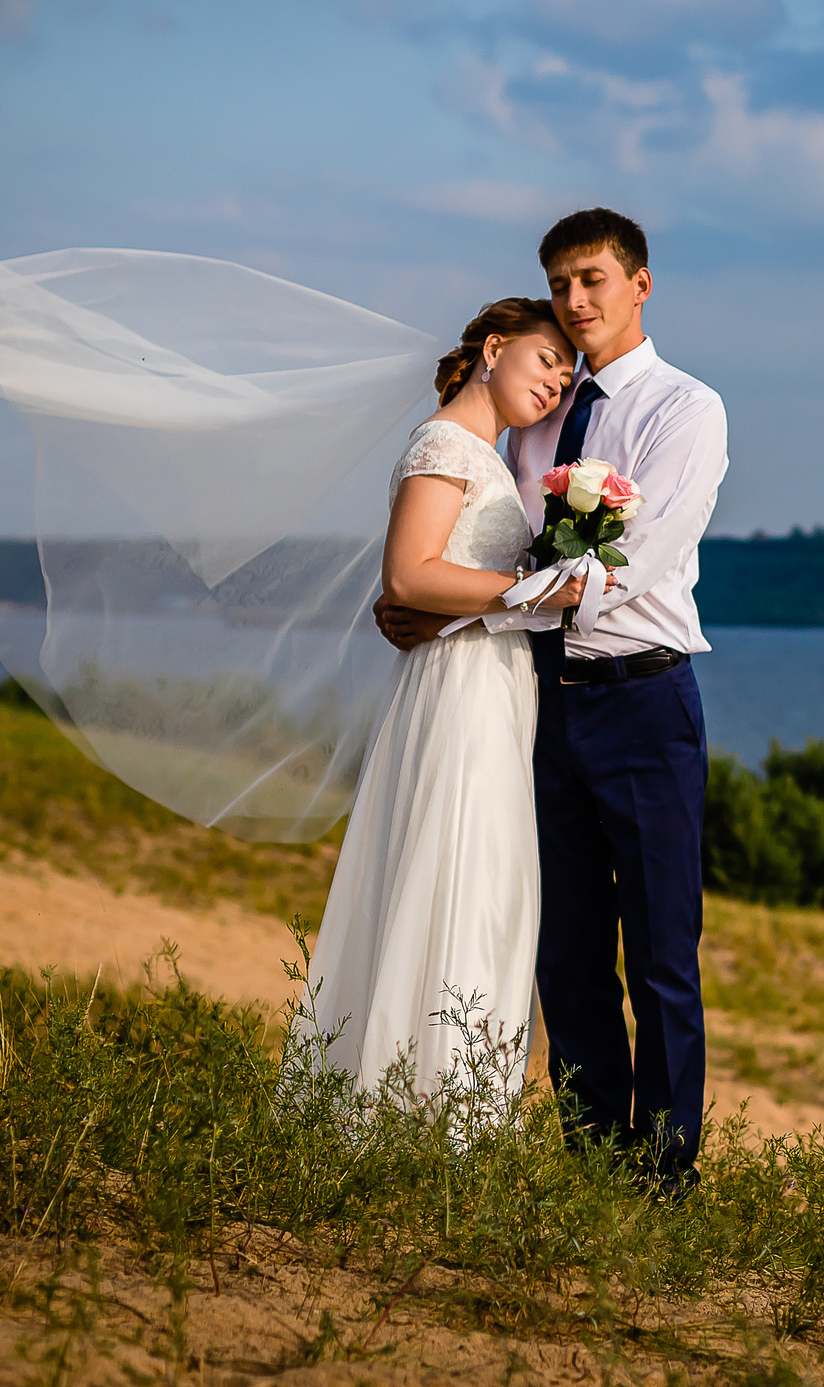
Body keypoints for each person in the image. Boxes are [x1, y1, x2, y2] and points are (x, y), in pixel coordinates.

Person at [379, 208, 728, 1193]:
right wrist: (422, 600)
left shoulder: (685, 410)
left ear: (639, 285)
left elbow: (624, 566)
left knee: (661, 953)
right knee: (564, 951)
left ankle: (665, 1178)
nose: (575, 301)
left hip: (643, 701)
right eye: (560, 284)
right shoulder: (537, 414)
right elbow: (478, 540)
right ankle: (594, 1166)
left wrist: (448, 607)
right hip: (536, 704)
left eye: (592, 280)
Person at [302, 296, 587, 1109]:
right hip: (460, 689)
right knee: (458, 869)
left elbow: (441, 589)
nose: (554, 385)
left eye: (564, 378)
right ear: (494, 348)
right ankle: (415, 1105)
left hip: (494, 683)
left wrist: (506, 599)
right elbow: (408, 573)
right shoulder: (445, 443)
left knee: (486, 877)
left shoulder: (488, 456)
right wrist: (533, 590)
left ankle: (452, 1105)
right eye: (545, 361)